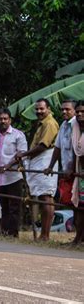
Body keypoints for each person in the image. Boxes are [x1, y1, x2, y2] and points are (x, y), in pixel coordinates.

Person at [16, 98, 59, 241]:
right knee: (42, 197)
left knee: (46, 197)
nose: (39, 111)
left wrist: (24, 154)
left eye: (42, 109)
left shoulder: (50, 124)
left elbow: (43, 146)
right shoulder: (42, 123)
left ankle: (45, 235)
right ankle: (43, 234)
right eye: (37, 109)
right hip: (39, 162)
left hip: (46, 161)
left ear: (48, 109)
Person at [0, 108, 28, 237]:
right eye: (0, 119)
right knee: (3, 205)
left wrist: (8, 166)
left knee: (14, 206)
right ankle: (4, 231)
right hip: (0, 177)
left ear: (10, 120)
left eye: (5, 119)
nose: (3, 121)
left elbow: (21, 154)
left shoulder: (18, 135)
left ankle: (13, 232)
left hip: (14, 176)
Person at [44, 100, 76, 203]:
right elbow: (57, 148)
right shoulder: (63, 125)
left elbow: (78, 151)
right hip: (67, 171)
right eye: (62, 109)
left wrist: (72, 168)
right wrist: (50, 166)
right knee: (69, 202)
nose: (64, 112)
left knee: (78, 204)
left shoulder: (77, 125)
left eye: (67, 109)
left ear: (75, 111)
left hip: (76, 171)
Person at [70, 100, 84, 244]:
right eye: (78, 111)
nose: (80, 114)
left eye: (83, 112)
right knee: (79, 206)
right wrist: (72, 168)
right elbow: (76, 151)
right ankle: (78, 237)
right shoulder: (75, 127)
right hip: (80, 172)